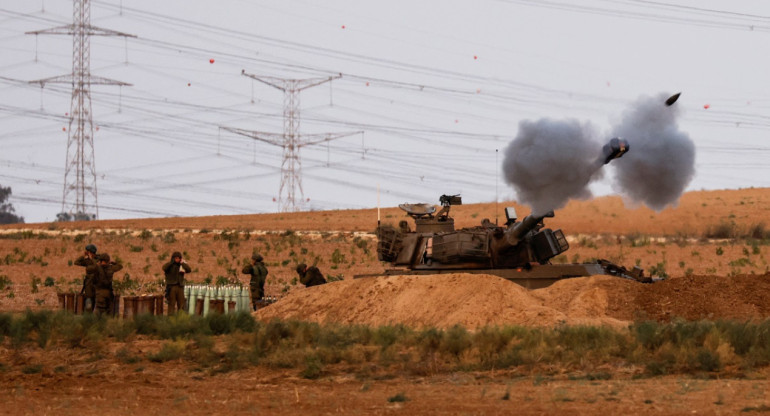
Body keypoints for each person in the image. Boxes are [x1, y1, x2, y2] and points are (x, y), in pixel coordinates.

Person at [74, 244, 98, 313]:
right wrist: (83, 256)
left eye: (88, 252)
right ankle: (88, 315)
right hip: (89, 284)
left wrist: (91, 259)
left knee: (95, 300)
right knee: (89, 300)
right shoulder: (87, 261)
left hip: (96, 284)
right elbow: (76, 262)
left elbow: (97, 266)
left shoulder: (98, 259)